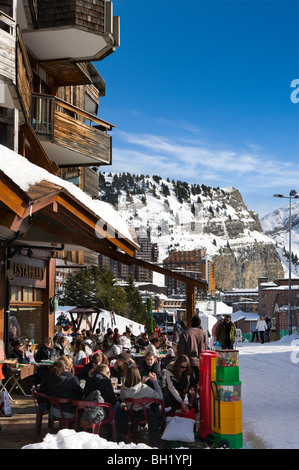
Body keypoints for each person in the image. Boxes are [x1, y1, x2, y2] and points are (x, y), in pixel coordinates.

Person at [120, 364, 164, 448]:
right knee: (157, 409)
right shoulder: (145, 388)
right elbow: (160, 397)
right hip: (145, 415)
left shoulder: (123, 388)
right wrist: (155, 381)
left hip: (131, 414)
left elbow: (122, 398)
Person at [83, 363, 121, 440]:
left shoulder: (89, 380)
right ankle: (116, 433)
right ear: (103, 372)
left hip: (88, 410)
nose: (109, 374)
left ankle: (110, 430)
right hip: (101, 411)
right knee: (117, 405)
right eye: (108, 373)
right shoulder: (105, 381)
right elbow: (112, 400)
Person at [177, 315, 207, 384]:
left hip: (188, 364)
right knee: (199, 385)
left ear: (191, 323)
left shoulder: (185, 334)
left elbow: (180, 351)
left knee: (189, 386)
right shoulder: (203, 334)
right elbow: (205, 349)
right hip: (200, 363)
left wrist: (179, 364)